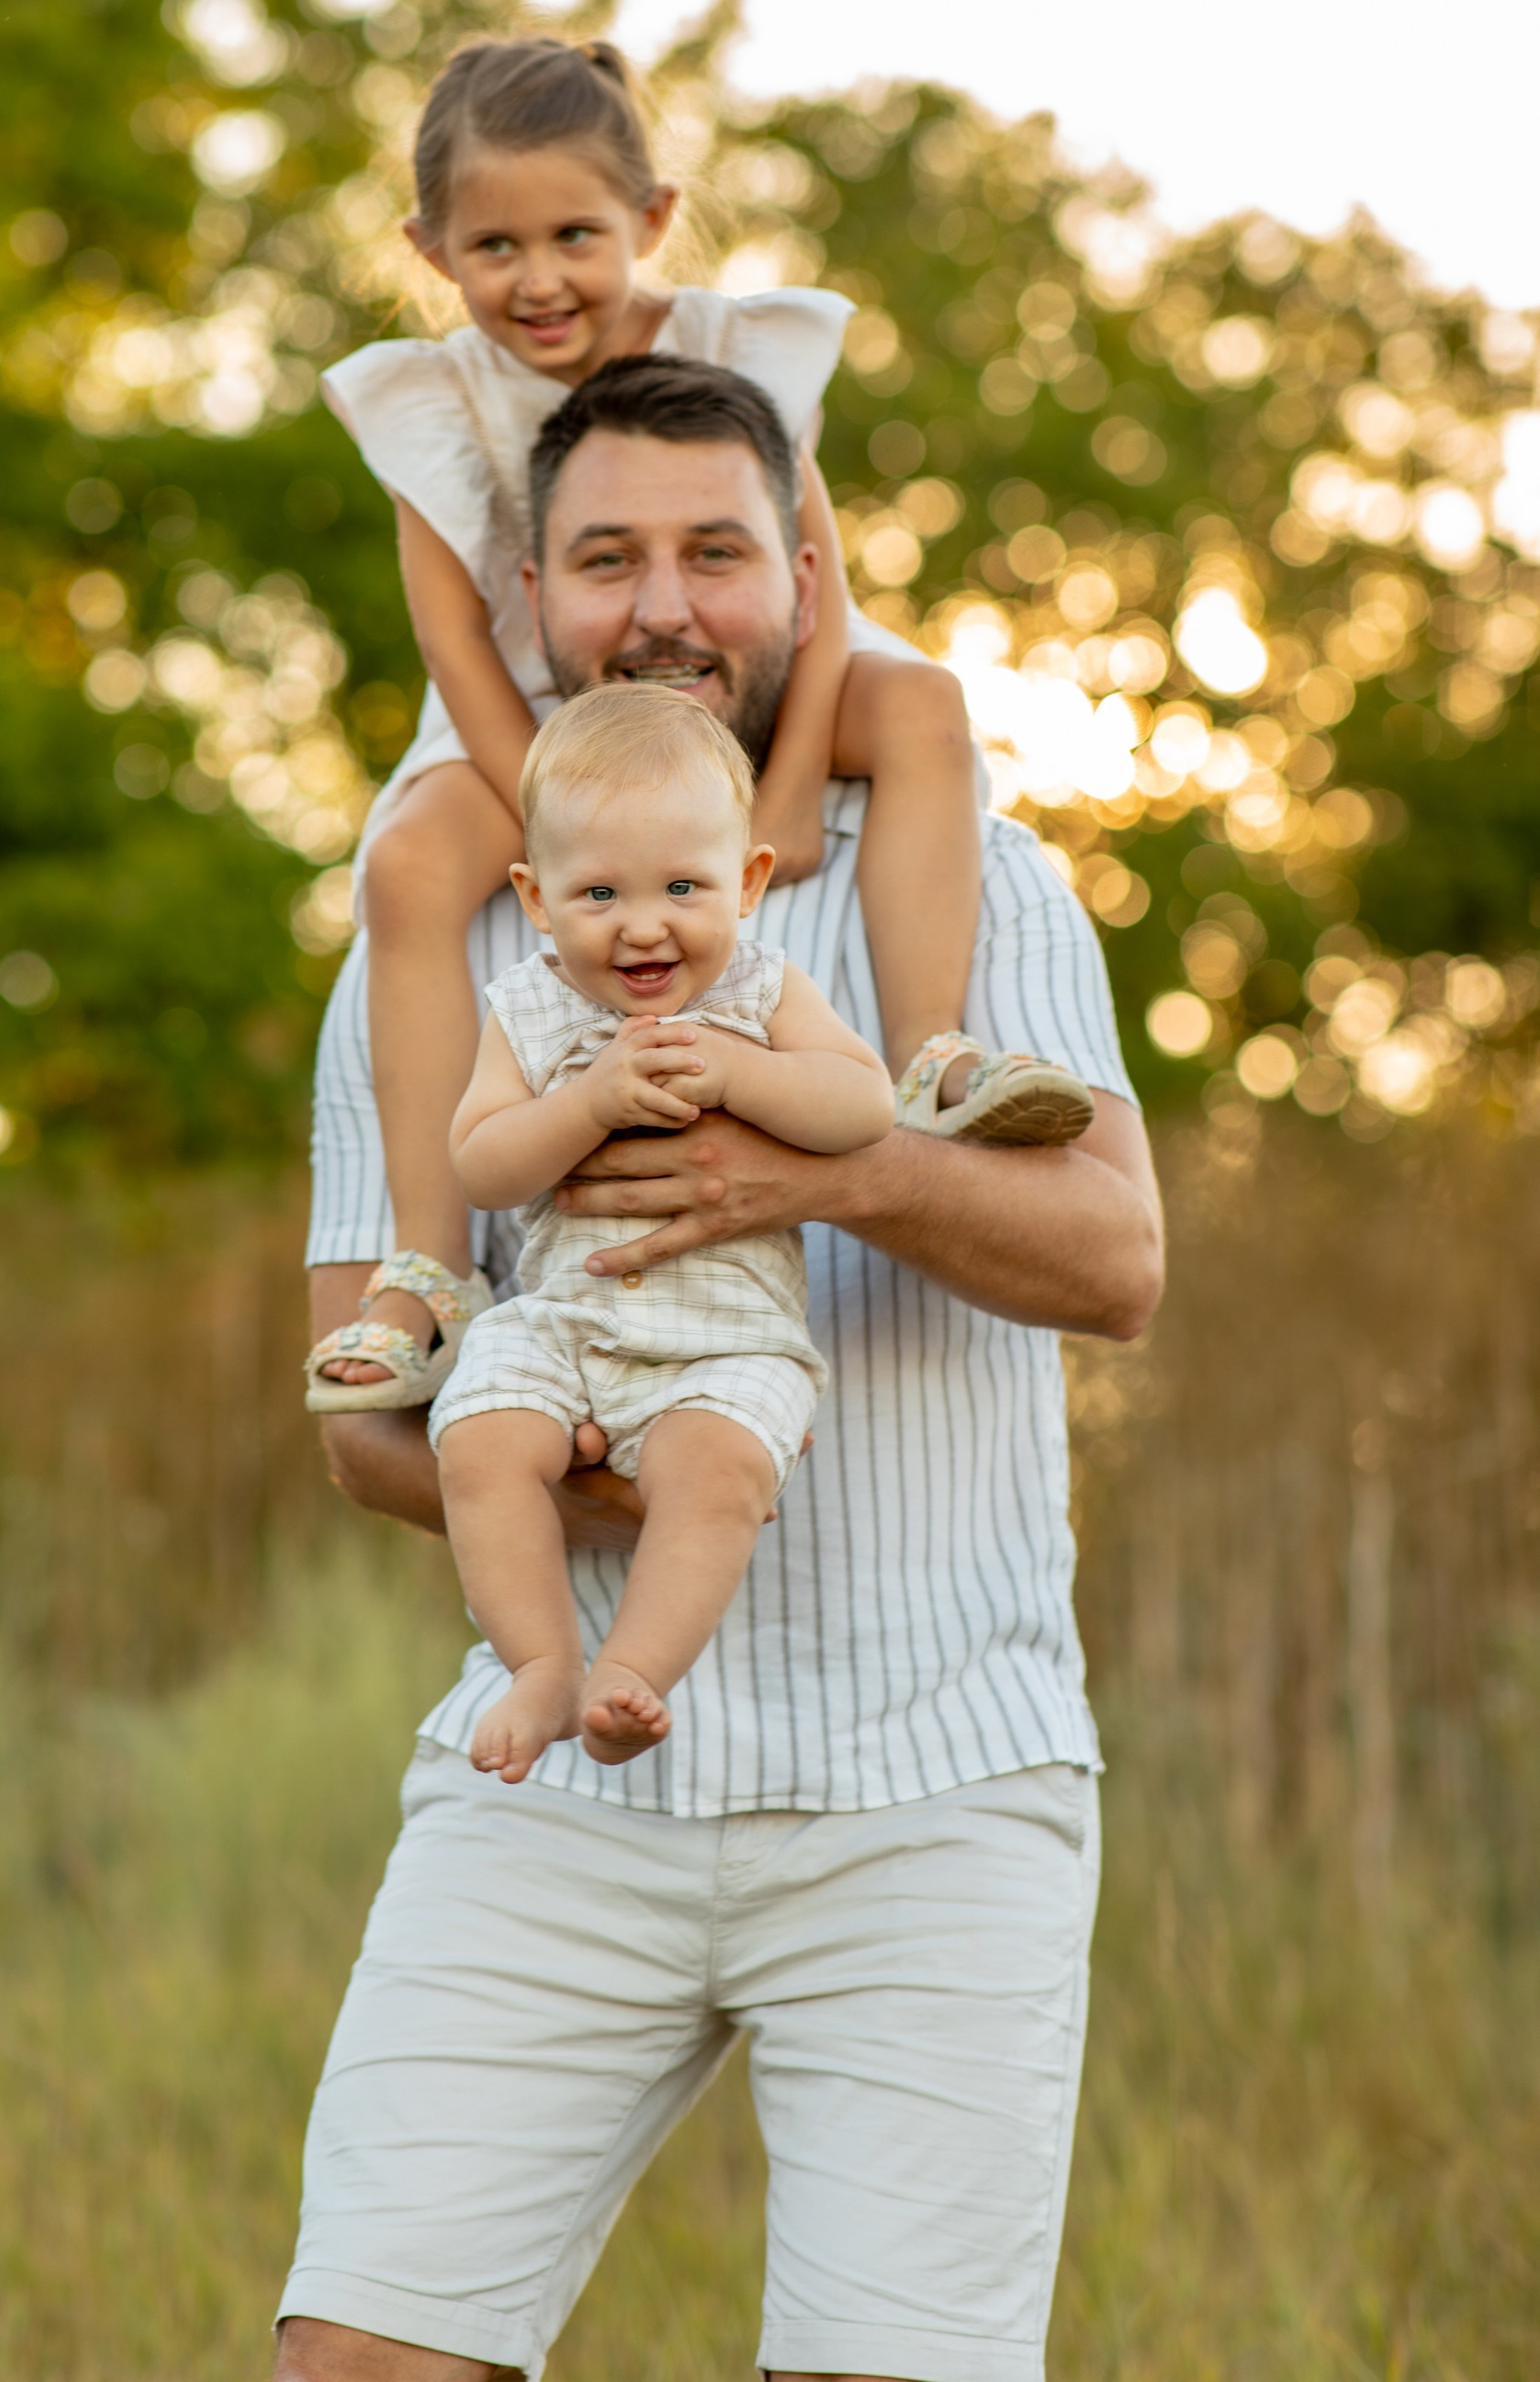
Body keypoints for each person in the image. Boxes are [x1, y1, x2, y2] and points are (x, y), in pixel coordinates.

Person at [280, 353, 1166, 2382]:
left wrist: (812, 1175)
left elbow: (1119, 1262)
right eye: (606, 558)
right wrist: (620, 1485)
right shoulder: (455, 928)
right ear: (531, 593)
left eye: (715, 550)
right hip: (550, 1804)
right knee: (361, 2367)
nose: (665, 603)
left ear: (804, 572)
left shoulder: (977, 881)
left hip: (932, 1788)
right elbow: (357, 1419)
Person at [307, 36, 1093, 1414]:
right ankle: (427, 1268)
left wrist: (783, 789)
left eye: (574, 235)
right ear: (429, 249)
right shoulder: (436, 403)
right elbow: (455, 640)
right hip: (530, 711)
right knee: (408, 865)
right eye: (494, 246)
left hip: (763, 699)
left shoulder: (731, 354)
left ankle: (934, 1052)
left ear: (654, 219)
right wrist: (569, 806)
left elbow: (819, 593)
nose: (538, 279)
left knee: (921, 707)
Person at [435, 683, 893, 1786]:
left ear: (747, 882)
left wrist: (745, 1070)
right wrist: (584, 1103)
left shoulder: (761, 994)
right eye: (598, 892)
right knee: (480, 1442)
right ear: (536, 900)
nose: (643, 923)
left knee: (720, 1473)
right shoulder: (530, 1010)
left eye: (684, 886)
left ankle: (627, 1677)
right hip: (565, 1321)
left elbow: (864, 1107)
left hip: (726, 1342)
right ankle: (541, 1662)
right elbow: (483, 1161)